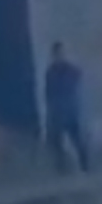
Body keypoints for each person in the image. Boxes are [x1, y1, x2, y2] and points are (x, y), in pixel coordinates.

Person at [42, 42, 90, 174]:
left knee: (77, 138)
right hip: (59, 109)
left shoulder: (69, 69)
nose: (59, 56)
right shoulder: (51, 72)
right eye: (57, 54)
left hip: (69, 109)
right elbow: (48, 93)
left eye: (61, 53)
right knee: (58, 141)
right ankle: (62, 167)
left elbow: (78, 79)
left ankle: (84, 164)